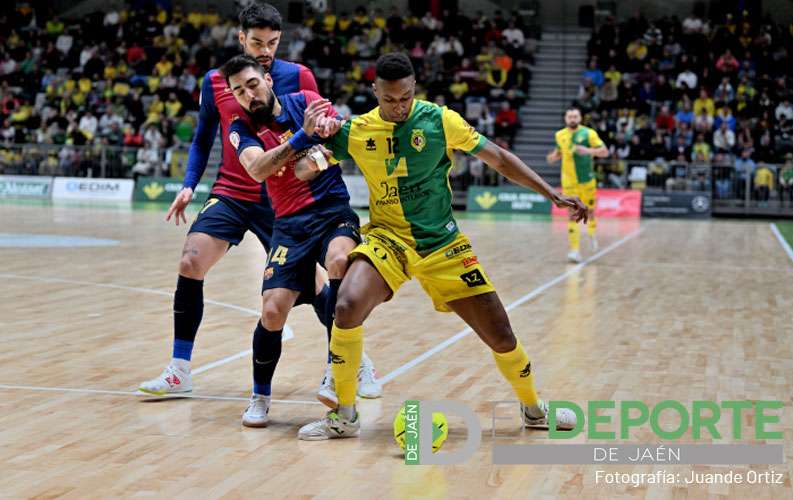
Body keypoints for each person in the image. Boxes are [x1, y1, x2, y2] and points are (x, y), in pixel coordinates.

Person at [293, 52, 588, 441]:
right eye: (389, 100)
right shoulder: (355, 131)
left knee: (500, 334)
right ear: (374, 91)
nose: (398, 107)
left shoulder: (440, 120)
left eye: (405, 98)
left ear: (414, 88)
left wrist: (551, 192)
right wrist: (312, 144)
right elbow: (300, 170)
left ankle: (534, 409)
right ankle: (344, 416)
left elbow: (498, 158)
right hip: (389, 240)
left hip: (443, 244)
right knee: (346, 305)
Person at [138, 2, 381, 407]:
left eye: (272, 42)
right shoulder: (214, 82)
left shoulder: (299, 77)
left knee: (317, 284)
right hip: (233, 190)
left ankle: (354, 360)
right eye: (257, 42)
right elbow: (202, 139)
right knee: (190, 260)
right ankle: (179, 369)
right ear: (240, 39)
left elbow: (324, 132)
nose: (265, 49)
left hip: (285, 201)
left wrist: (319, 153)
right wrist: (188, 185)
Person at [219, 54, 368, 425]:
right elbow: (257, 168)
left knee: (339, 261)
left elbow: (326, 154)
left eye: (252, 84)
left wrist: (314, 151)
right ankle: (260, 397)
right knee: (272, 311)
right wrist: (304, 140)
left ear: (267, 79)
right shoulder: (241, 127)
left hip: (333, 211)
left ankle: (337, 367)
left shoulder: (306, 100)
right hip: (288, 225)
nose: (248, 95)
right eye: (239, 91)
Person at [546, 107, 609, 263]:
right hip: (569, 181)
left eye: (575, 116)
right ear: (566, 119)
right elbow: (558, 153)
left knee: (590, 211)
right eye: (570, 116)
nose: (572, 119)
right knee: (572, 214)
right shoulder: (559, 135)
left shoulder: (589, 133)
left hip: (586, 179)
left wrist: (588, 151)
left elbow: (604, 151)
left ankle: (591, 233)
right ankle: (574, 251)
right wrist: (552, 157)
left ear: (580, 118)